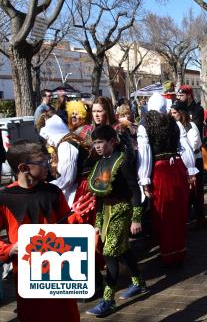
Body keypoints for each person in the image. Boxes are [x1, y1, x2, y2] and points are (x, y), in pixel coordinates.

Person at [0, 140, 93, 322]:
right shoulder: (5, 197)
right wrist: (9, 249)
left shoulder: (53, 191)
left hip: (60, 268)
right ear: (23, 167)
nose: (48, 165)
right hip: (28, 273)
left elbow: (67, 226)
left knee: (66, 315)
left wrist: (81, 217)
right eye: (42, 162)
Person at [85, 126, 146, 316]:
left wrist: (136, 218)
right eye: (95, 143)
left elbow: (135, 190)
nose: (97, 147)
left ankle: (108, 299)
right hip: (106, 210)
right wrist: (97, 222)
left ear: (112, 141)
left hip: (122, 209)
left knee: (109, 252)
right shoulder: (100, 163)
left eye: (101, 142)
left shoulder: (123, 160)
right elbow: (100, 197)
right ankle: (138, 282)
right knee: (123, 249)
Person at [137, 105, 192, 265]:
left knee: (163, 213)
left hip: (160, 171)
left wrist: (144, 178)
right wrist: (191, 169)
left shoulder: (145, 125)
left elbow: (144, 154)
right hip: (177, 168)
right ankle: (179, 252)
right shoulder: (175, 123)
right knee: (178, 211)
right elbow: (184, 148)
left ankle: (169, 254)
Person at [170, 100, 206, 228]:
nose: (172, 115)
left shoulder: (191, 126)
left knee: (196, 193)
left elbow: (194, 146)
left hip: (194, 163)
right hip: (181, 164)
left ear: (181, 112)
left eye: (174, 112)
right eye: (171, 112)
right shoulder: (173, 126)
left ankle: (200, 220)